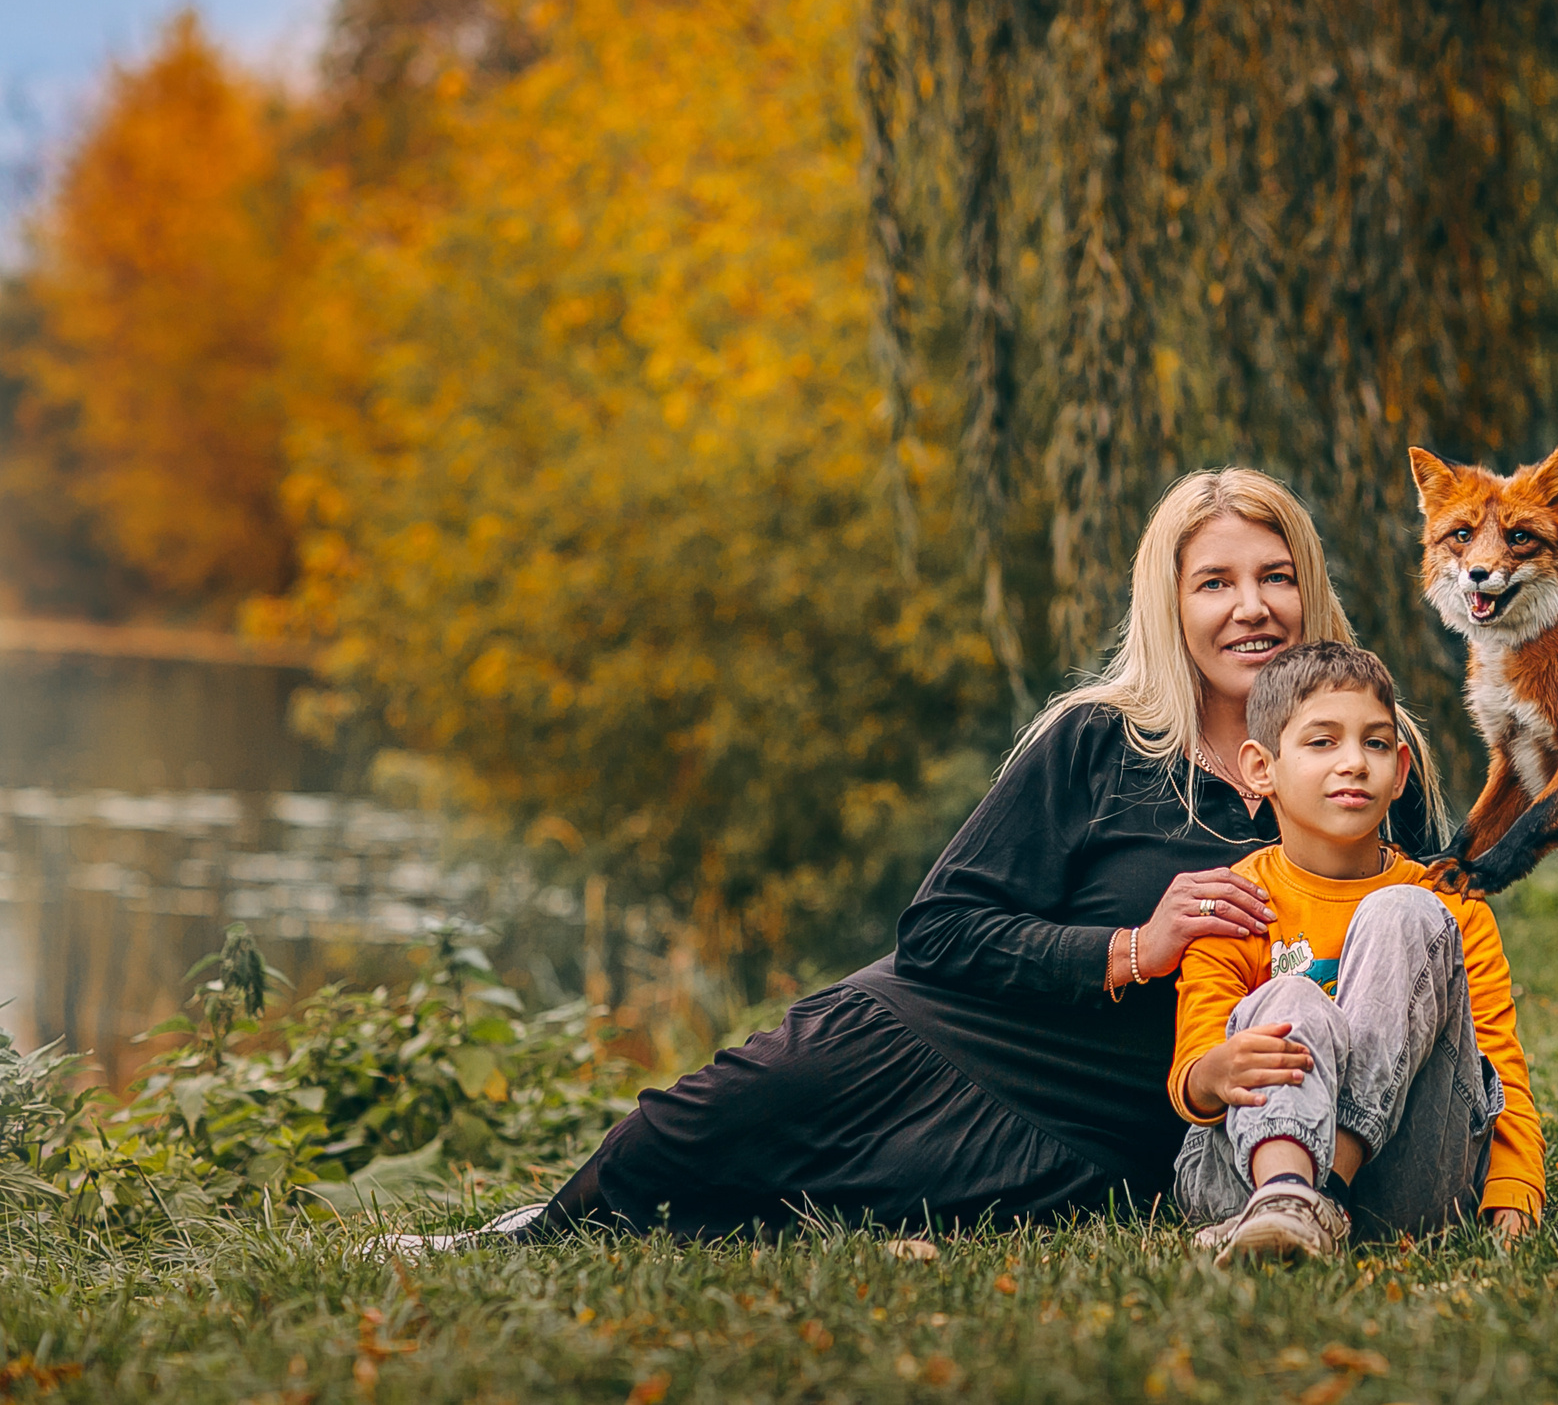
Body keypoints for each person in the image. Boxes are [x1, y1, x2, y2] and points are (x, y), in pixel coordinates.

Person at [379, 470, 1444, 1252]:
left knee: (817, 1212)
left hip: (1117, 1131)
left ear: (1310, 591)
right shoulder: (1097, 740)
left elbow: (1422, 962)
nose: (1249, 608)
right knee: (694, 1128)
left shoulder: (1374, 757)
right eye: (1214, 581)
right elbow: (939, 936)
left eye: (1274, 579)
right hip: (959, 1035)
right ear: (1170, 604)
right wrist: (1133, 945)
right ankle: (530, 1235)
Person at [1168, 640, 1543, 1264]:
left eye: (1374, 743)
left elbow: (1498, 1062)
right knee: (1291, 996)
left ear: (1400, 770)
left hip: (1408, 1179)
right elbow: (1195, 1076)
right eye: (1322, 742)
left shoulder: (1448, 903)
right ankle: (1285, 1194)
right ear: (1262, 768)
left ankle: (1316, 1201)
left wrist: (1513, 1184)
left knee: (1404, 914)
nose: (1353, 763)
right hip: (1240, 1170)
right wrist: (1216, 1070)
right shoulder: (1236, 901)